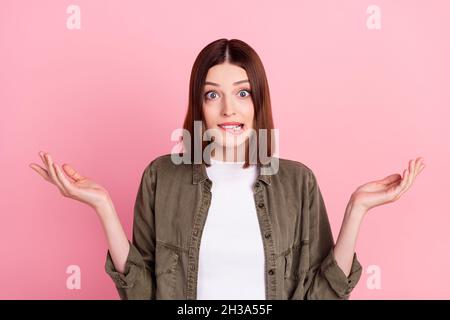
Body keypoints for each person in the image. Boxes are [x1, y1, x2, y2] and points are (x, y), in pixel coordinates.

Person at [29, 38, 425, 300]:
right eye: (213, 94)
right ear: (198, 105)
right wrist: (103, 207)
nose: (228, 109)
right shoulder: (161, 177)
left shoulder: (296, 182)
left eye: (242, 93)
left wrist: (357, 208)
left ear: (258, 101)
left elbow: (321, 294)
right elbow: (142, 293)